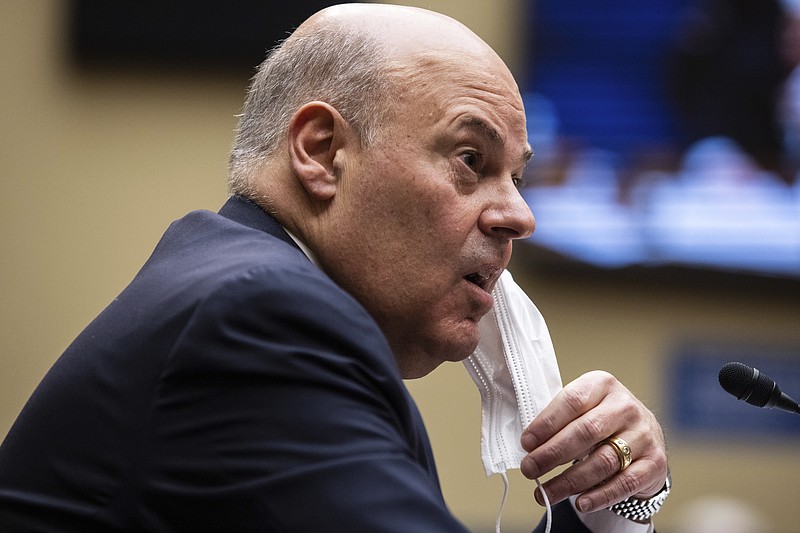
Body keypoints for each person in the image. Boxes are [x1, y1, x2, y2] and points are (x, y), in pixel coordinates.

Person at [0, 4, 669, 531]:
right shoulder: (259, 320)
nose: (520, 216)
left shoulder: (243, 289)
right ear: (321, 152)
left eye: (517, 178)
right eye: (471, 159)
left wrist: (605, 504)